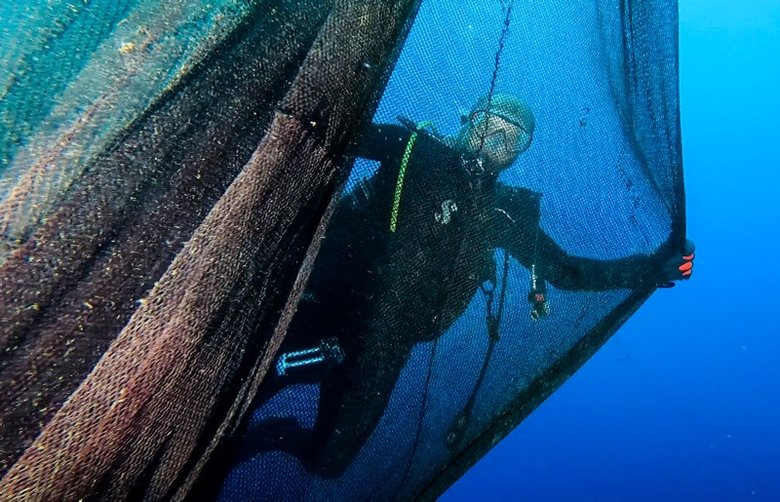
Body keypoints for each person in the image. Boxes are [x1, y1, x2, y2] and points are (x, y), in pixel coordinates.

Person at [232, 94, 695, 478]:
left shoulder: (503, 214)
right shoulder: (412, 149)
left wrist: (651, 267)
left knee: (328, 462)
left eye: (511, 140)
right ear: (466, 120)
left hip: (384, 349)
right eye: (489, 126)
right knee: (232, 402)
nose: (495, 141)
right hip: (325, 306)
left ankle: (278, 435)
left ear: (516, 157)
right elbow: (336, 133)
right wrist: (287, 107)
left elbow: (567, 272)